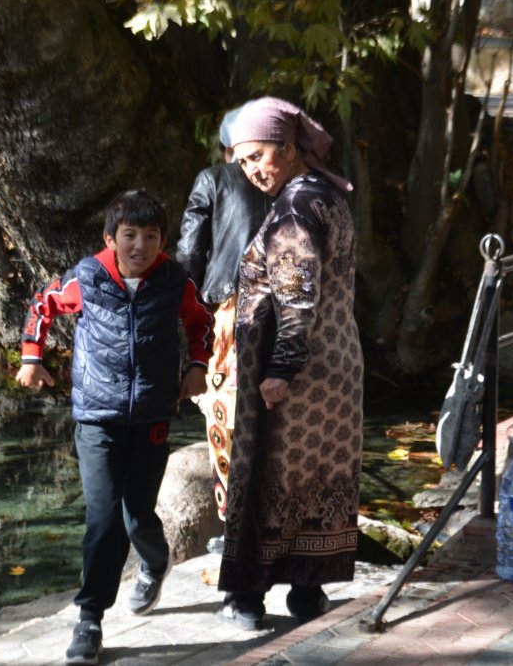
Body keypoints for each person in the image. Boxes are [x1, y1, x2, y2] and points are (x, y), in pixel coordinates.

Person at [16, 190, 213, 665]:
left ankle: (156, 560)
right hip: (97, 417)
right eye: (130, 235)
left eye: (151, 236)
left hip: (151, 416)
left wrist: (198, 366)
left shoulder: (174, 280)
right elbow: (42, 305)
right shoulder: (87, 277)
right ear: (111, 239)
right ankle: (90, 620)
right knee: (104, 518)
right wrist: (31, 357)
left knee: (137, 513)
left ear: (163, 242)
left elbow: (201, 321)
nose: (140, 246)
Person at [215, 96, 363, 630]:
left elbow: (296, 299)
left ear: (287, 147)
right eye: (244, 163)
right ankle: (307, 593)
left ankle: (247, 600)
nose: (253, 171)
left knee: (268, 478)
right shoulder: (326, 195)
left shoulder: (296, 209)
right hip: (339, 364)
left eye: (259, 156)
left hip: (295, 373)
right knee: (319, 477)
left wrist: (281, 369)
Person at [176, 106, 273, 537]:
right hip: (283, 312)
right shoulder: (289, 183)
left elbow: (190, 248)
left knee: (224, 415)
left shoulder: (214, 179)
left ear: (226, 147)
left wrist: (184, 306)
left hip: (231, 313)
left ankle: (233, 522)